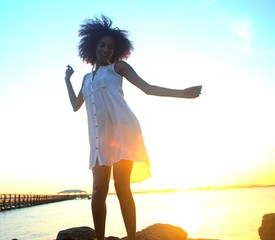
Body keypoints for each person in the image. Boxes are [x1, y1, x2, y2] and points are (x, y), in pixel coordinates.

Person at [64, 15, 202, 240]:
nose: (106, 49)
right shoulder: (86, 79)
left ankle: (131, 237)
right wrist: (67, 80)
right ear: (93, 46)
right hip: (99, 140)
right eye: (102, 45)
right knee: (98, 190)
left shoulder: (118, 68)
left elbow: (147, 88)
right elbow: (75, 106)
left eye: (110, 47)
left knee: (121, 187)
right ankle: (100, 238)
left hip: (123, 133)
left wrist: (182, 93)